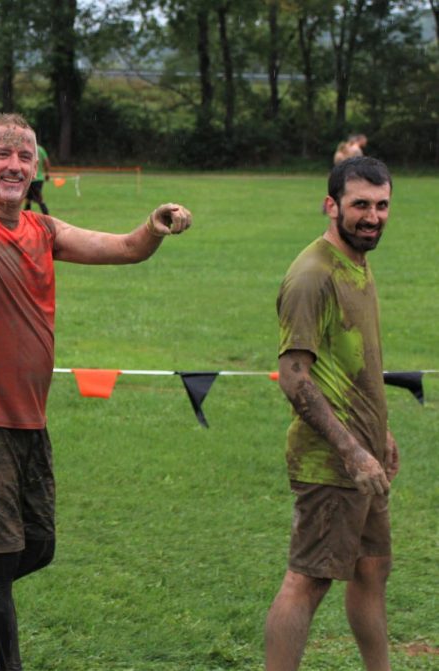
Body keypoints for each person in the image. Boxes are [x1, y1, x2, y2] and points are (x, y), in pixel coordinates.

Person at [0, 113, 192, 671]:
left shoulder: (44, 231)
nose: (15, 165)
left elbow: (124, 248)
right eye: (2, 154)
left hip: (29, 417)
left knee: (36, 547)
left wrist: (153, 225)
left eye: (25, 156)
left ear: (36, 165)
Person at [265, 156, 399, 671]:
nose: (372, 216)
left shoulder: (357, 261)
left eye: (382, 205)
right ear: (331, 205)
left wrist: (380, 433)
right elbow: (295, 379)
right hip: (332, 462)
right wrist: (352, 453)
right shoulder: (311, 276)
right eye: (360, 204)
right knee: (308, 580)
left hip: (364, 454)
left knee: (372, 569)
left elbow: (355, 360)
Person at [23, 142, 51, 214]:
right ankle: (27, 218)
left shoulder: (26, 149)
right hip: (39, 179)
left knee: (37, 198)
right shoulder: (41, 149)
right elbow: (46, 162)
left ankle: (46, 215)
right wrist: (47, 173)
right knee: (29, 198)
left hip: (29, 178)